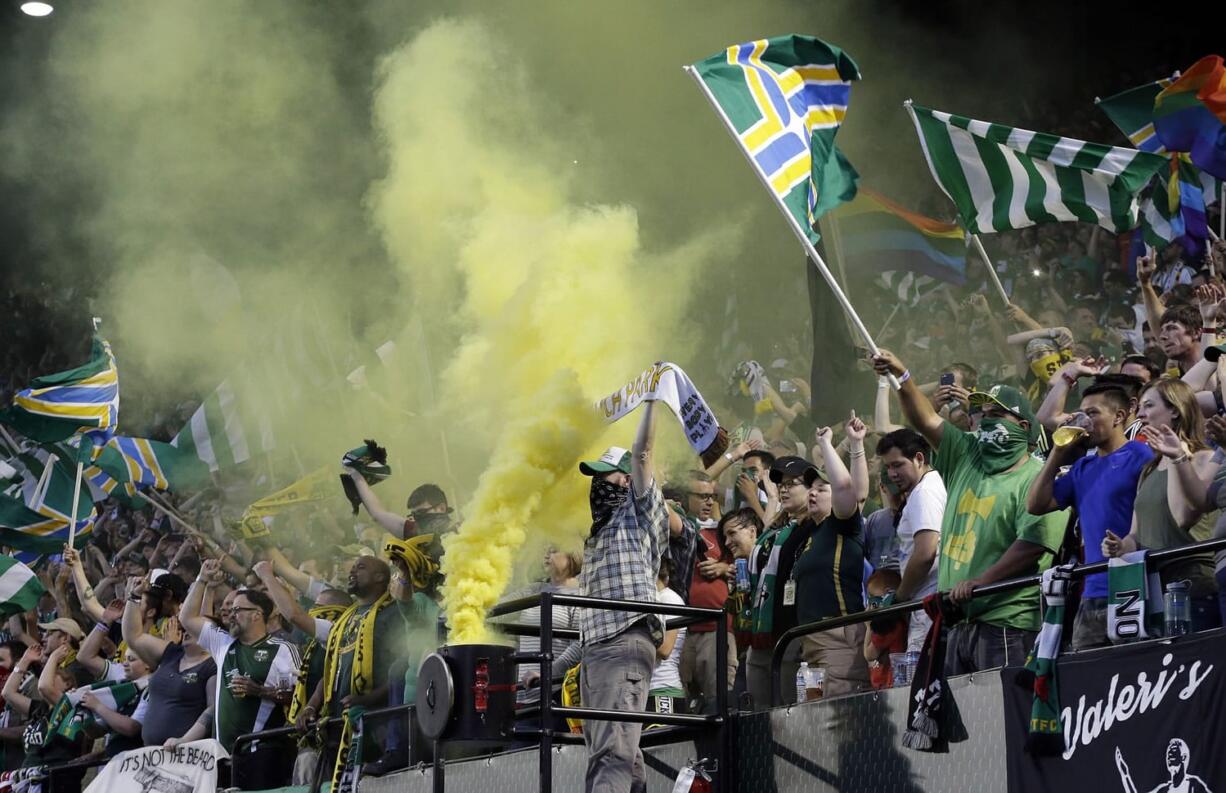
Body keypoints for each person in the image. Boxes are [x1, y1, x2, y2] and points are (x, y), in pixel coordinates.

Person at [872, 349, 1067, 675]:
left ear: (1022, 425)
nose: (985, 419)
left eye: (996, 413)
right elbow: (925, 420)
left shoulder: (1039, 476)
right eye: (981, 412)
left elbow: (1033, 545)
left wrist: (980, 582)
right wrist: (902, 376)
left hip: (1007, 622)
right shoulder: (967, 455)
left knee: (1002, 719)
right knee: (959, 724)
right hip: (956, 619)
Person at [576, 399, 667, 793]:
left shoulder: (638, 512)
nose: (599, 485)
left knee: (611, 754)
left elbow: (644, 452)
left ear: (627, 480)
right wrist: (551, 665)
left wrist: (650, 399)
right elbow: (589, 619)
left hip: (626, 640)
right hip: (597, 650)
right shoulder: (595, 538)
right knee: (623, 756)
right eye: (596, 478)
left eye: (607, 477)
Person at [1027, 383, 1153, 649]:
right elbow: (1035, 504)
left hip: (1133, 584)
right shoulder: (1083, 466)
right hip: (1091, 589)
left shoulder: (1141, 454)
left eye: (1093, 413)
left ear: (1119, 417)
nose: (1085, 421)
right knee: (1088, 677)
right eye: (1082, 413)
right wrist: (1058, 451)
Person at [1102, 378, 1222, 631]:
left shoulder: (1204, 459)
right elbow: (1136, 533)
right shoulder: (1148, 470)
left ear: (1175, 410)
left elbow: (1183, 517)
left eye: (1149, 405)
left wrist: (1178, 456)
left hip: (1193, 584)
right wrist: (1120, 545)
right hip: (1153, 588)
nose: (1140, 414)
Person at [180, 560, 300, 790]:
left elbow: (297, 697)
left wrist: (260, 691)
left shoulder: (282, 649)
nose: (230, 614)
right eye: (230, 609)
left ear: (257, 615)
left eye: (237, 610)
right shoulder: (224, 644)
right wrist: (202, 579)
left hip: (263, 754)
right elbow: (187, 618)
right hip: (222, 756)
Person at [789, 419, 872, 698]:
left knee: (839, 717)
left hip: (838, 637)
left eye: (822, 489)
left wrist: (828, 444)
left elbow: (851, 490)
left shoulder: (843, 525)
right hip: (811, 642)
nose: (812, 492)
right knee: (816, 720)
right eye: (810, 488)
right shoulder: (814, 534)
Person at [742, 454, 822, 708]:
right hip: (762, 634)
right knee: (758, 713)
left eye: (792, 483)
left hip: (794, 633)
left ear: (812, 489)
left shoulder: (818, 526)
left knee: (791, 709)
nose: (784, 489)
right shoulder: (775, 532)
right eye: (781, 484)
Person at [120, 574, 218, 749]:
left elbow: (212, 709)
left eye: (196, 628)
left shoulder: (213, 665)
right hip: (150, 752)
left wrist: (184, 740)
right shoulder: (172, 653)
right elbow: (133, 637)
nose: (187, 630)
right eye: (186, 627)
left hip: (186, 754)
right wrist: (134, 597)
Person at [876, 428, 947, 652]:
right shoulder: (928, 487)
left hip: (928, 604)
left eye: (897, 465)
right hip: (928, 602)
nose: (892, 473)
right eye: (888, 467)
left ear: (919, 458)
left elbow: (926, 552)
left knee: (921, 681)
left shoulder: (924, 492)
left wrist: (898, 600)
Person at [679, 495, 737, 715]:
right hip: (679, 631)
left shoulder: (722, 532)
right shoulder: (672, 528)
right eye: (702, 496)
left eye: (712, 496)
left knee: (719, 703)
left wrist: (724, 567)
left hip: (716, 630)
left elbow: (750, 554)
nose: (710, 502)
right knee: (682, 706)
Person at [647, 558, 687, 716]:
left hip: (663, 689)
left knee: (662, 740)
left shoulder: (669, 599)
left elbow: (665, 649)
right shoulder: (654, 599)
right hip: (646, 688)